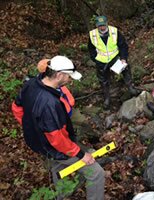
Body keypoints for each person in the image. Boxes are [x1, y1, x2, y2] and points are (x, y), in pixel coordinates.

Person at [12, 56, 105, 200]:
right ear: (59, 75)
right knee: (97, 173)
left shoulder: (31, 84)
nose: (69, 80)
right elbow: (57, 139)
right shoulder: (49, 103)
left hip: (37, 143)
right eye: (68, 76)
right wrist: (81, 154)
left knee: (57, 168)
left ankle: (60, 196)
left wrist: (30, 127)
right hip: (53, 147)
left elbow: (16, 107)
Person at [88, 15, 139, 109]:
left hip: (114, 57)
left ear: (107, 23)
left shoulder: (114, 31)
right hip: (101, 60)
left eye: (103, 25)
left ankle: (130, 87)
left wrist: (123, 58)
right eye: (99, 26)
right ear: (96, 25)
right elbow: (91, 49)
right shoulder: (92, 34)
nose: (102, 27)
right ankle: (107, 98)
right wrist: (95, 58)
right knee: (103, 80)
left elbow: (123, 45)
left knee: (125, 68)